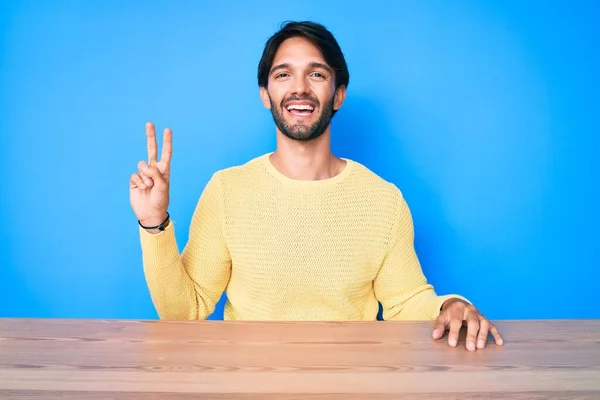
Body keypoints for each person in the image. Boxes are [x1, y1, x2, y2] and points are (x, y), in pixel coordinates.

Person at [129, 21, 503, 352]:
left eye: (317, 75)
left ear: (338, 95)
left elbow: (405, 303)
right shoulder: (228, 190)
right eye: (283, 75)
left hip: (354, 388)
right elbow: (185, 309)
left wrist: (449, 306)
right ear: (265, 94)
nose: (300, 89)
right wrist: (153, 222)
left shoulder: (383, 201)